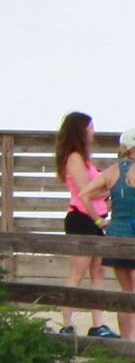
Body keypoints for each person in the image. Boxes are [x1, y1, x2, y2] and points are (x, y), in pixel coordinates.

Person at [59, 113, 117, 334]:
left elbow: (98, 189)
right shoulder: (73, 157)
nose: (93, 131)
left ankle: (98, 324)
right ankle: (66, 324)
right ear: (80, 130)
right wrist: (107, 191)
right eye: (90, 127)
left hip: (95, 218)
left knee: (99, 272)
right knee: (78, 272)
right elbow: (87, 192)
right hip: (82, 219)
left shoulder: (85, 159)